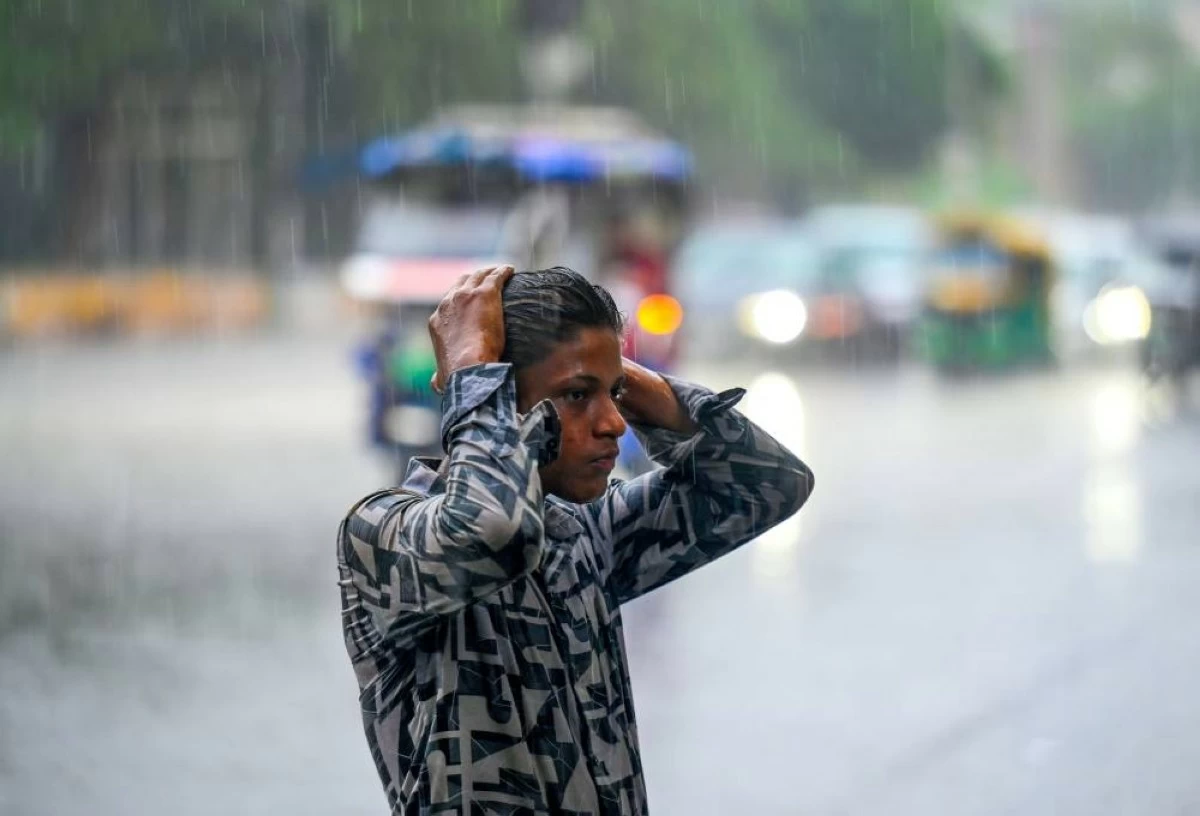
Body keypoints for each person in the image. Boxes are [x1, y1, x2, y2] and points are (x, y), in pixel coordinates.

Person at [337, 264, 814, 815]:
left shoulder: (582, 531)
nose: (614, 423)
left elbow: (769, 482)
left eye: (613, 395)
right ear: (492, 397)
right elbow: (492, 532)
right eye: (576, 396)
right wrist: (472, 369)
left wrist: (610, 370)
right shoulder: (382, 536)